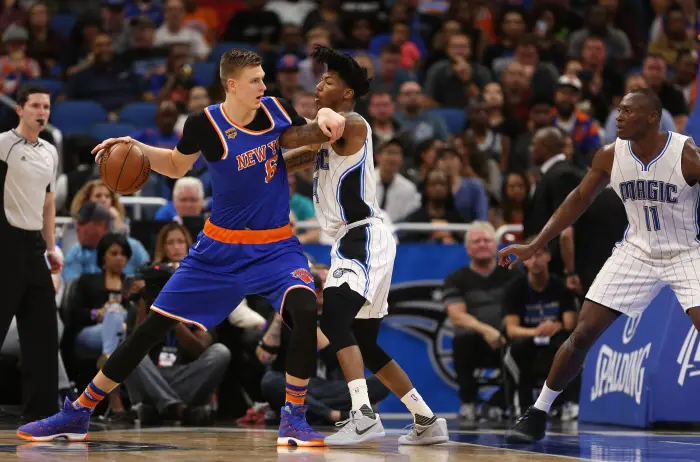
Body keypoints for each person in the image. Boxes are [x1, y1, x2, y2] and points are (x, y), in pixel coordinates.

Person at [17, 48, 345, 447]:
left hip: (275, 246)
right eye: (255, 80)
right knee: (148, 330)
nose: (263, 85)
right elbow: (175, 165)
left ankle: (293, 418)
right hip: (217, 251)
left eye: (263, 78)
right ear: (232, 84)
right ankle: (78, 411)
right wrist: (134, 147)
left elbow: (312, 128)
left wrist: (328, 117)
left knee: (306, 307)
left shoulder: (276, 109)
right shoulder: (205, 123)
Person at [499, 87, 700, 443]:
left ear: (652, 117)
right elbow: (577, 199)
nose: (618, 117)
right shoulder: (610, 155)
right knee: (582, 334)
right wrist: (534, 245)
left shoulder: (686, 154)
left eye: (627, 112)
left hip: (685, 252)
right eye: (618, 111)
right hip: (635, 251)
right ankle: (538, 412)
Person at [285, 46, 449, 446]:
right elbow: (288, 155)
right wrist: (257, 160)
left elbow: (297, 136)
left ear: (345, 94)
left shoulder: (354, 123)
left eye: (328, 81)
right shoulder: (326, 137)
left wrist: (274, 130)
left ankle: (362, 415)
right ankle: (426, 420)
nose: (319, 84)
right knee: (367, 341)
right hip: (354, 240)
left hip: (363, 235)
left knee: (334, 321)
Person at [0, 84, 61, 422]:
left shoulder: (50, 152)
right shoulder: (3, 145)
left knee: (42, 334)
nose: (42, 112)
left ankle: (41, 417)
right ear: (19, 109)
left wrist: (51, 247)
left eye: (47, 107)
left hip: (34, 248)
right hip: (4, 245)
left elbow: (49, 201)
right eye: (35, 106)